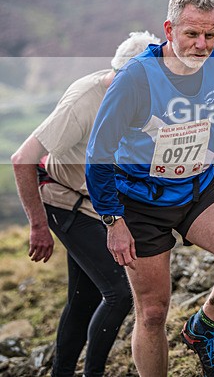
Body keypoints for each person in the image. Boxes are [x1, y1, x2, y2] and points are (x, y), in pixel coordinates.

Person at [85, 0, 214, 377]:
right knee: (154, 311)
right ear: (169, 29)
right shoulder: (135, 78)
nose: (202, 44)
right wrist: (113, 220)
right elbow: (98, 154)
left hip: (198, 189)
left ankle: (201, 330)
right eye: (191, 34)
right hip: (139, 203)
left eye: (210, 34)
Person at [11, 30, 161, 376]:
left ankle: (61, 372)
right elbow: (23, 159)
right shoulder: (84, 100)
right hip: (64, 201)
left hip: (99, 205)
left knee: (84, 298)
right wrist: (38, 227)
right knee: (120, 292)